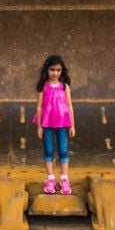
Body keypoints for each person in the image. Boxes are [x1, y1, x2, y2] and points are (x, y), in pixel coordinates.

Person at [34, 55, 76, 195]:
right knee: (49, 150)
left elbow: (70, 106)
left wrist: (72, 125)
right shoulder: (43, 87)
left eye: (58, 70)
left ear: (62, 71)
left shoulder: (65, 86)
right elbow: (39, 107)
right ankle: (50, 179)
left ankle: (64, 179)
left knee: (63, 150)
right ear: (47, 69)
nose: (55, 73)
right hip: (47, 123)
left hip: (63, 123)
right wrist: (39, 126)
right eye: (52, 69)